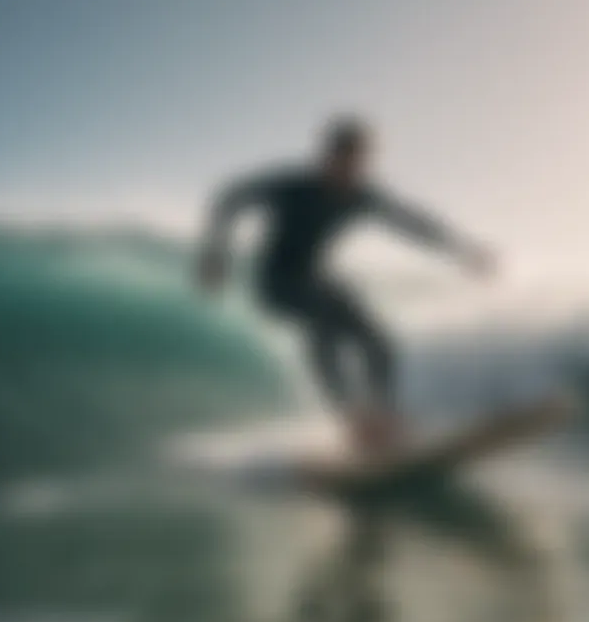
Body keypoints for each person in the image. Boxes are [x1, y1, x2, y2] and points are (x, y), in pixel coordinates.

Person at [197, 116, 496, 450]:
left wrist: (462, 249)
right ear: (328, 156)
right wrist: (215, 252)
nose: (351, 170)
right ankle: (352, 421)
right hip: (276, 284)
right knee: (324, 324)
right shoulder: (293, 186)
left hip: (315, 279)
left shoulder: (361, 196)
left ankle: (384, 418)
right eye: (345, 160)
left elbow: (412, 222)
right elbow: (230, 197)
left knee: (378, 342)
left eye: (360, 161)